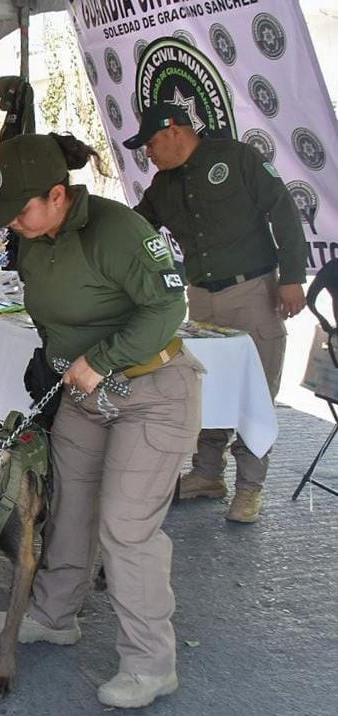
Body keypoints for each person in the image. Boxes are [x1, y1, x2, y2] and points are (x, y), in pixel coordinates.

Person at [0, 133, 202, 709]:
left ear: (58, 195)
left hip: (151, 391)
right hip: (83, 398)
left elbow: (170, 308)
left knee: (125, 527)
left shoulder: (119, 229)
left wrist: (98, 360)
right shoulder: (33, 237)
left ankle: (151, 664)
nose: (12, 225)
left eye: (20, 211)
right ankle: (54, 614)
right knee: (69, 507)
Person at [124, 102, 308, 523]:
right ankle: (207, 474)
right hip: (200, 298)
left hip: (252, 291)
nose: (148, 153)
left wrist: (293, 276)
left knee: (254, 391)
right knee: (205, 390)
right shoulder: (162, 185)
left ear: (175, 130)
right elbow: (134, 230)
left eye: (151, 143)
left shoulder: (236, 157)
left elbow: (283, 209)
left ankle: (249, 488)